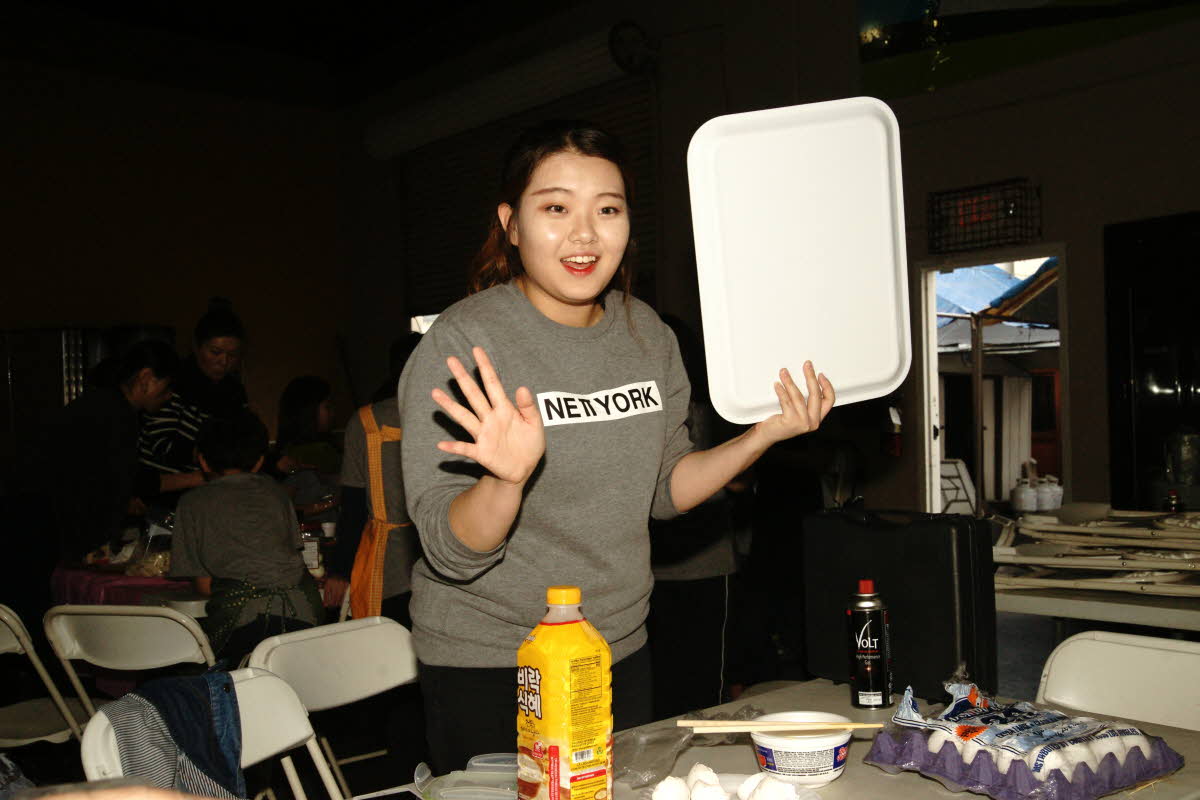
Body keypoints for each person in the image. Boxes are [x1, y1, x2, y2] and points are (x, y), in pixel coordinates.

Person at [398, 120, 835, 772]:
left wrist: (762, 435)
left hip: (616, 646)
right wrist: (505, 480)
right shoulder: (464, 344)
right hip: (495, 659)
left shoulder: (647, 334)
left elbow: (665, 488)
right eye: (555, 208)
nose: (585, 234)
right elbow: (449, 549)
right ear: (511, 224)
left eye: (608, 210)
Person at [646, 313, 745, 718]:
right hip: (652, 570)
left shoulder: (715, 407)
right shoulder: (651, 407)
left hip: (701, 563)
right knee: (674, 690)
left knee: (700, 692)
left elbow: (739, 480)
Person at [169, 410, 322, 666]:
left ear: (203, 461)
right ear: (260, 461)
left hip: (241, 621)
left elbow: (205, 586)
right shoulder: (277, 493)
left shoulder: (192, 503)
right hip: (305, 614)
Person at [40, 339, 178, 561]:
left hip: (52, 522)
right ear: (145, 378)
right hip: (68, 529)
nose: (170, 395)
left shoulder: (103, 404)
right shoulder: (117, 415)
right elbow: (126, 480)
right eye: (168, 386)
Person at [324, 334, 422, 622]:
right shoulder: (455, 416)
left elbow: (353, 507)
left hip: (387, 568)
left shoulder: (366, 422)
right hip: (441, 561)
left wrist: (340, 570)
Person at [138, 298, 248, 502]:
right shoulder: (174, 382)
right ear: (197, 347)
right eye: (215, 352)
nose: (223, 361)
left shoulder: (234, 392)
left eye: (232, 355)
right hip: (160, 494)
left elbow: (242, 439)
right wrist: (213, 459)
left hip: (209, 495)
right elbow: (161, 445)